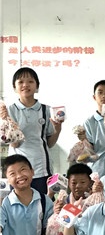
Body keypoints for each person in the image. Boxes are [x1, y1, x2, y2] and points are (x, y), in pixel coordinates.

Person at [8, 67, 63, 195]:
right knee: (18, 204)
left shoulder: (46, 110)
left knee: (43, 203)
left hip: (41, 168)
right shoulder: (10, 111)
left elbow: (49, 143)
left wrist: (58, 129)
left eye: (30, 81)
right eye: (21, 82)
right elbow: (14, 144)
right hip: (17, 171)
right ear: (14, 87)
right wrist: (11, 127)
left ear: (37, 86)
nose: (25, 85)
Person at [56, 163, 93, 235]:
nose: (78, 186)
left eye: (82, 182)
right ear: (68, 183)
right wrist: (57, 213)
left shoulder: (95, 199)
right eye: (74, 182)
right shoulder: (63, 201)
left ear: (90, 182)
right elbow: (57, 230)